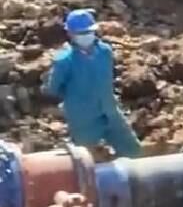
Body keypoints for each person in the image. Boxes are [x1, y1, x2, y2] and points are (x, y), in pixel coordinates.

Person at [43, 9, 143, 158]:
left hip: (110, 111)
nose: (86, 36)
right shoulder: (64, 61)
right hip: (83, 118)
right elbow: (53, 88)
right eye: (81, 33)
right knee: (86, 161)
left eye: (88, 32)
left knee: (132, 150)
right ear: (70, 34)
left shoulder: (105, 51)